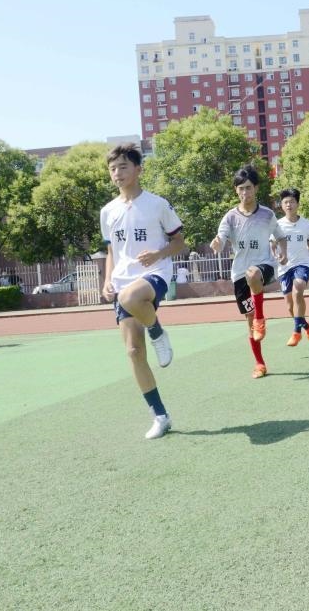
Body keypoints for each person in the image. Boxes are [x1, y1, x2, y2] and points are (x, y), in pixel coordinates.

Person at [100, 143, 186, 439]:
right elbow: (112, 250)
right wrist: (107, 278)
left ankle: (157, 332)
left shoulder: (157, 204)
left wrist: (158, 254)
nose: (117, 173)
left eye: (123, 167)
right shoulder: (108, 211)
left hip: (154, 274)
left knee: (130, 297)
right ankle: (160, 416)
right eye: (112, 169)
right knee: (134, 351)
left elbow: (179, 242)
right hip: (122, 280)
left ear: (138, 169)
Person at [211, 164, 288, 378]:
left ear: (256, 188)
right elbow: (221, 237)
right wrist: (218, 243)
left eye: (248, 187)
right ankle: (260, 364)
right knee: (249, 322)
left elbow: (281, 236)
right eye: (241, 188)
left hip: (264, 265)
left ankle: (261, 317)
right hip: (239, 274)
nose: (245, 192)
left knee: (253, 274)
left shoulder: (267, 214)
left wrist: (283, 252)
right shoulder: (230, 217)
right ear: (236, 190)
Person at [275, 187, 309, 346]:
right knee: (290, 307)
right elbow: (272, 245)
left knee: (298, 288)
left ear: (298, 204)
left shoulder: (306, 224)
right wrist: (277, 256)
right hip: (284, 267)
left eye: (292, 202)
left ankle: (296, 332)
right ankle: (305, 326)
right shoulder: (277, 225)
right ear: (281, 205)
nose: (289, 205)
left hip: (302, 264)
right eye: (285, 202)